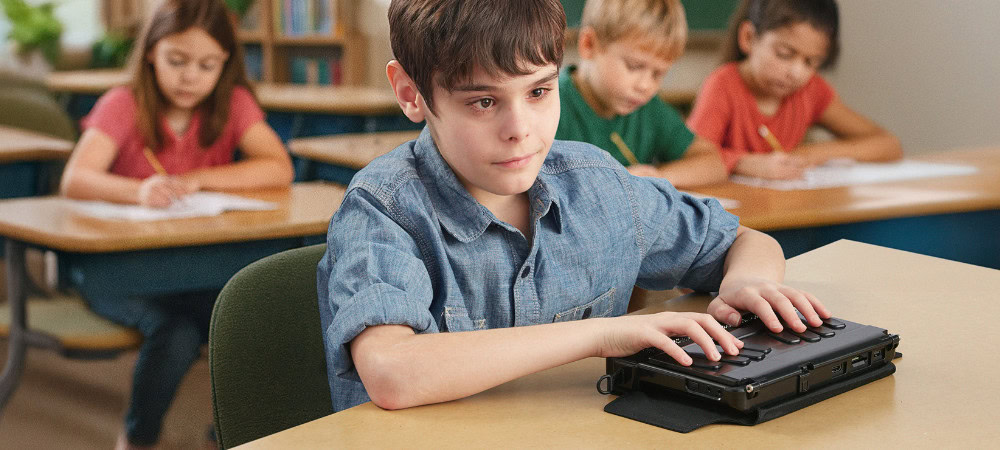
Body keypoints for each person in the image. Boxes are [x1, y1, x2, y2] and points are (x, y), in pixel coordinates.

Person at [318, 0, 829, 413]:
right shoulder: (382, 210)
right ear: (411, 94)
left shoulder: (596, 184)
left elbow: (742, 241)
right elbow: (392, 372)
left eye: (539, 91)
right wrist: (602, 334)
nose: (520, 129)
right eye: (483, 102)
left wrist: (745, 285)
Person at [59, 0, 292, 447]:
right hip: (121, 270)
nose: (191, 77)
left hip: (196, 266)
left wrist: (197, 180)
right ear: (150, 52)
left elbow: (278, 167)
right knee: (176, 333)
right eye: (177, 61)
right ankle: (137, 439)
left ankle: (229, 432)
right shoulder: (123, 103)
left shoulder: (233, 102)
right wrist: (139, 190)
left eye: (207, 65)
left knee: (255, 318)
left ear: (225, 64)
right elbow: (75, 179)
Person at [687, 0, 901, 180]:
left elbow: (889, 145)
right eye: (784, 54)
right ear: (749, 38)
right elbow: (690, 158)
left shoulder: (811, 90)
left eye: (811, 62)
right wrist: (744, 163)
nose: (797, 73)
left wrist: (814, 154)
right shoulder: (722, 86)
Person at [555, 0, 727, 189]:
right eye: (634, 66)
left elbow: (714, 163)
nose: (646, 86)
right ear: (589, 45)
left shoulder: (648, 109)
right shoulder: (551, 103)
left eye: (658, 74)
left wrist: (659, 176)